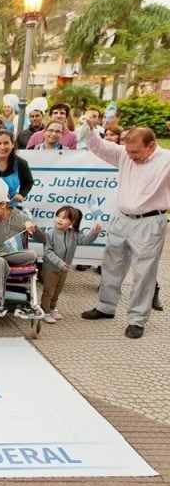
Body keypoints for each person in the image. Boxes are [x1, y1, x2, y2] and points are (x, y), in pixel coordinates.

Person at [79, 123, 170, 339]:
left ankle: (137, 320)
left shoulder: (166, 160)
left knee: (144, 272)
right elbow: (99, 146)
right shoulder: (124, 154)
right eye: (127, 150)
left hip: (150, 221)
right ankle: (105, 306)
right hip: (122, 218)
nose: (130, 156)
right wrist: (89, 130)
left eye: (136, 152)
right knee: (111, 264)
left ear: (151, 146)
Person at [0, 177, 45, 311]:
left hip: (18, 258)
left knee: (31, 254)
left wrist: (33, 227)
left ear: (3, 204)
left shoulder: (20, 218)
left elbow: (43, 240)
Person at [41, 206, 101, 324]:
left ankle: (52, 308)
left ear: (72, 222)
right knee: (49, 291)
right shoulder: (49, 234)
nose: (59, 219)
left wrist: (94, 232)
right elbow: (48, 251)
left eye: (64, 218)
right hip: (50, 268)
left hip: (64, 269)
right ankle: (44, 311)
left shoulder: (73, 234)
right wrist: (60, 263)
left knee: (57, 291)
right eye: (58, 216)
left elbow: (85, 241)